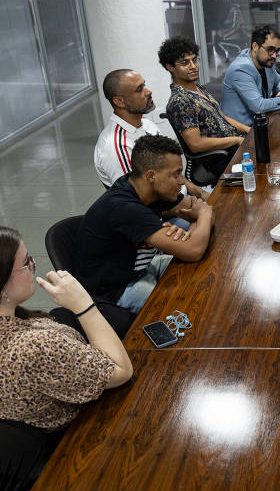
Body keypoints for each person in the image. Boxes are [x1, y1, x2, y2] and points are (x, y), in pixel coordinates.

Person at [0, 226, 132, 486]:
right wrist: (83, 304)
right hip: (74, 439)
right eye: (27, 263)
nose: (33, 266)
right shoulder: (35, 348)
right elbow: (121, 371)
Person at [75, 135, 214, 314]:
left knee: (205, 270)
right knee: (185, 309)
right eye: (176, 174)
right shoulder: (125, 207)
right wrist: (202, 216)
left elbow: (205, 218)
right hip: (116, 290)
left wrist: (199, 223)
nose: (181, 181)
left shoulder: (147, 189)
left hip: (140, 267)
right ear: (151, 176)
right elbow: (194, 248)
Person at [94, 69, 209, 204]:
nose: (148, 91)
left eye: (144, 85)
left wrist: (202, 194)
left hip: (180, 199)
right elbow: (139, 202)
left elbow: (174, 175)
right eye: (139, 89)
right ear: (119, 101)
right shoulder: (116, 147)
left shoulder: (147, 124)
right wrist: (196, 208)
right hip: (164, 214)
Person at [159, 36, 248, 179]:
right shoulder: (180, 101)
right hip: (222, 158)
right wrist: (237, 140)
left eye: (194, 60)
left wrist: (249, 131)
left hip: (235, 147)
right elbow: (196, 144)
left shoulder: (198, 88)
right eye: (185, 63)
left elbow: (222, 118)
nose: (193, 66)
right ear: (170, 67)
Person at [221, 25, 280, 125]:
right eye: (270, 50)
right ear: (255, 46)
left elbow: (278, 80)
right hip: (242, 131)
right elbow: (259, 107)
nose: (274, 56)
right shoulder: (240, 69)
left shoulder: (265, 62)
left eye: (277, 51)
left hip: (263, 121)